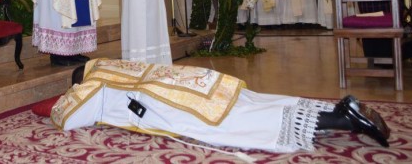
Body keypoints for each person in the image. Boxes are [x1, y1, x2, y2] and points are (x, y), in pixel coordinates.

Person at [50, 59, 391, 156]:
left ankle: (340, 119)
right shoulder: (119, 65)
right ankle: (332, 111)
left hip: (175, 106)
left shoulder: (95, 83)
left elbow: (67, 117)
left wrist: (62, 101)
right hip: (197, 80)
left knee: (239, 120)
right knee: (253, 101)